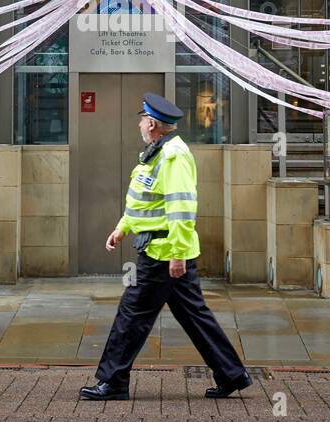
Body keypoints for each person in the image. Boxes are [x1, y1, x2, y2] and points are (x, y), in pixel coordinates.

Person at [80, 92, 251, 401]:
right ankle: (232, 374)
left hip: (162, 253)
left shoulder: (174, 156)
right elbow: (145, 203)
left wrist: (177, 253)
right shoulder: (156, 153)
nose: (140, 124)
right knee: (194, 315)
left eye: (142, 120)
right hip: (162, 250)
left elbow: (182, 209)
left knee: (131, 315)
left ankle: (114, 381)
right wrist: (122, 228)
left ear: (153, 123)